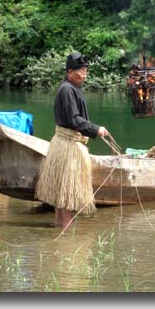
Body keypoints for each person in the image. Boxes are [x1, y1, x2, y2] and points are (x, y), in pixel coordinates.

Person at [36, 52, 109, 229]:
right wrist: (95, 129)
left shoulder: (71, 88)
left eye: (86, 72)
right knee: (66, 195)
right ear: (70, 72)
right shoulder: (67, 89)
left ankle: (60, 228)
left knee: (62, 195)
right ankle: (66, 235)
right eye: (81, 72)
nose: (84, 75)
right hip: (67, 145)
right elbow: (74, 119)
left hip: (65, 144)